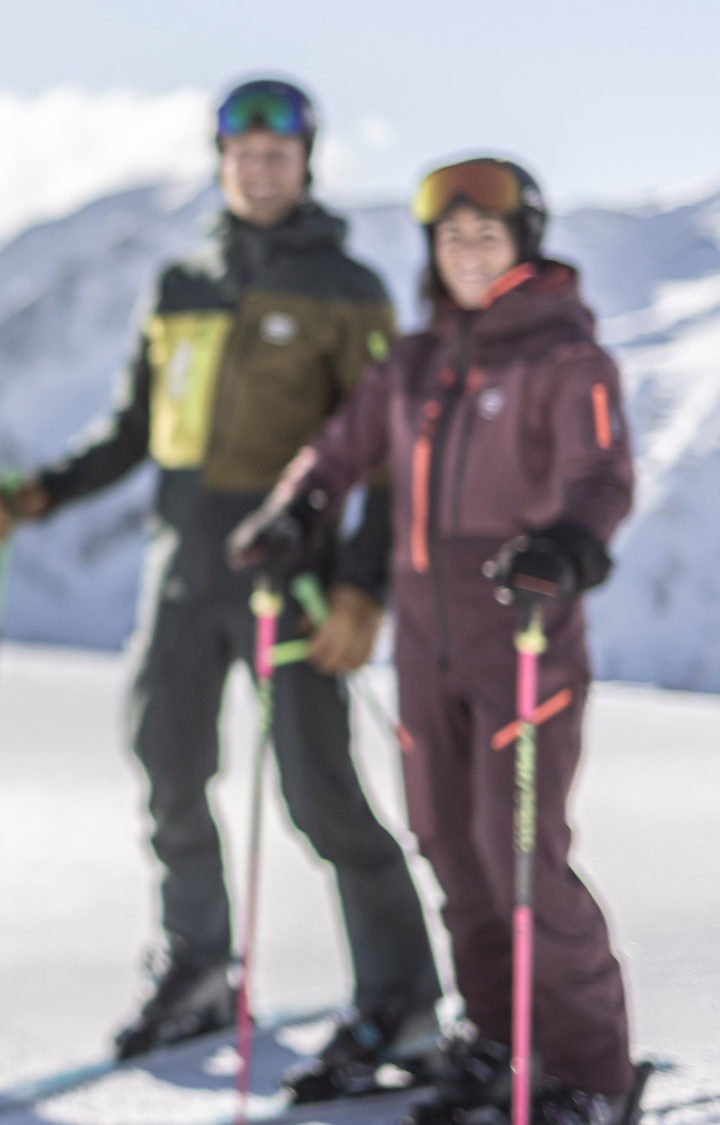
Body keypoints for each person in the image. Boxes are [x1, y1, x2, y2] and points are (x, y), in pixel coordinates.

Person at [0, 78, 443, 1086]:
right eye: (242, 150)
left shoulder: (345, 288)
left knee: (321, 795)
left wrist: (362, 589)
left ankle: (401, 1001)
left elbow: (389, 459)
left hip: (294, 585)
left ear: (304, 161)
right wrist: (42, 492)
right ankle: (196, 967)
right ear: (221, 158)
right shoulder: (181, 282)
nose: (260, 164)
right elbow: (137, 432)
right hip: (181, 569)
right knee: (165, 765)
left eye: (279, 151)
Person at [231, 157, 641, 1125]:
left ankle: (590, 1073)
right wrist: (297, 508)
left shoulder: (562, 358)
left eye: (485, 237)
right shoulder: (412, 362)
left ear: (522, 244)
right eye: (449, 238)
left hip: (520, 636)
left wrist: (566, 545)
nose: (465, 253)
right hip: (423, 644)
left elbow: (600, 477)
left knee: (519, 856)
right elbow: (339, 448)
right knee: (449, 849)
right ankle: (500, 1042)